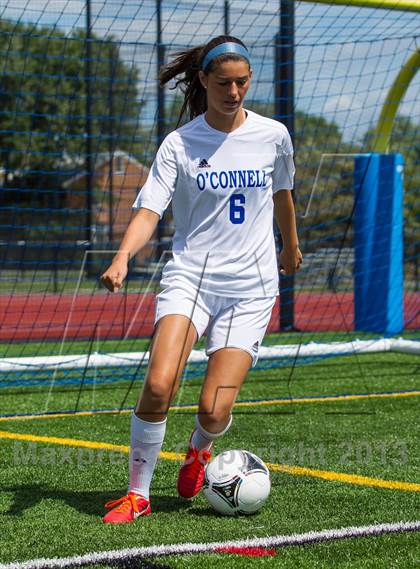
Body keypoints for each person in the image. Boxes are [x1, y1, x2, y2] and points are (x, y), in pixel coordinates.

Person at [100, 35, 302, 524]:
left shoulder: (274, 135)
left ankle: (198, 450)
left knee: (213, 411)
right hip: (191, 277)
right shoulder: (180, 143)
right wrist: (124, 255)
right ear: (204, 81)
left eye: (242, 82)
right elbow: (150, 208)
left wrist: (291, 246)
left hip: (251, 288)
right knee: (158, 383)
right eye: (224, 82)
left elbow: (282, 195)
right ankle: (138, 494)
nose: (233, 92)